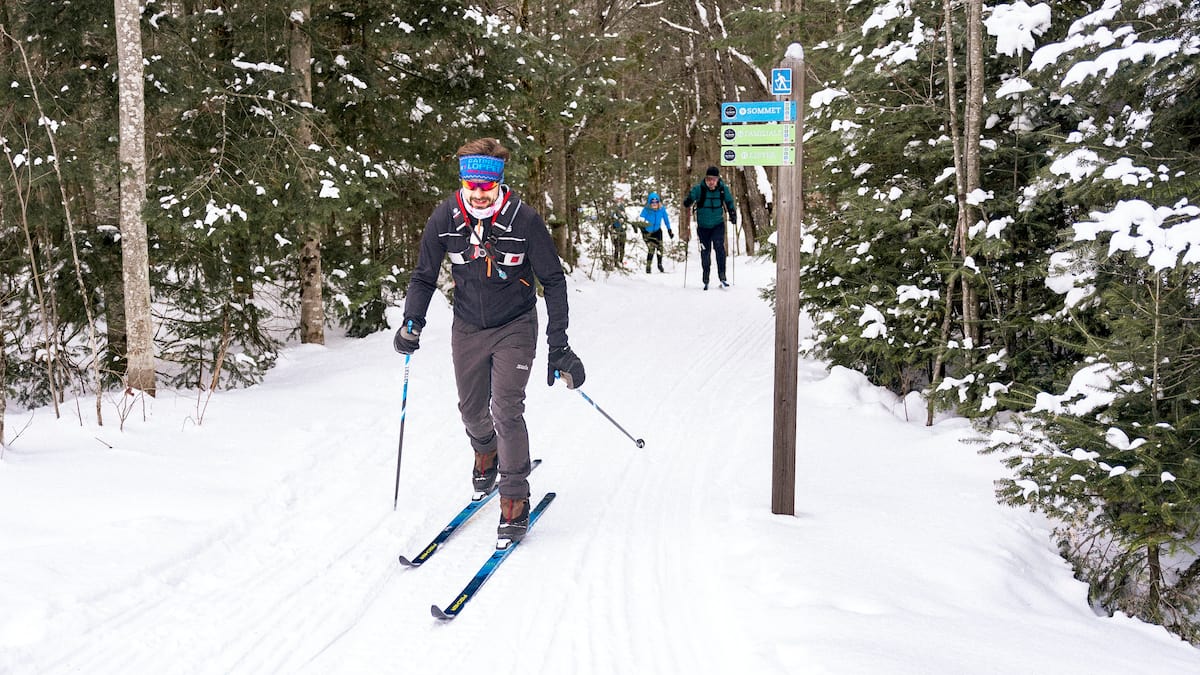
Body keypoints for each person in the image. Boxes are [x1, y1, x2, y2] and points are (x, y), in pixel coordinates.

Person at [393, 137, 586, 544]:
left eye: (487, 188)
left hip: (515, 323)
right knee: (471, 410)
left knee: (507, 409)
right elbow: (424, 275)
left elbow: (552, 281)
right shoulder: (445, 216)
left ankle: (514, 501)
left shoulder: (524, 219)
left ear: (498, 184)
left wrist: (559, 345)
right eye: (471, 187)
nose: (479, 196)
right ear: (463, 182)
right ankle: (487, 453)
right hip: (467, 324)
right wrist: (413, 321)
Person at [682, 166, 737, 289]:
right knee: (705, 252)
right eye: (709, 179)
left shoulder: (723, 189)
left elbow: (729, 202)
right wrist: (688, 201)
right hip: (703, 226)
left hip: (718, 224)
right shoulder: (699, 189)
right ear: (706, 179)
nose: (711, 182)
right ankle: (706, 276)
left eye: (714, 179)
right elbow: (688, 200)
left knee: (719, 248)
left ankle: (722, 275)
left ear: (718, 179)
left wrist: (732, 213)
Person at [637, 191, 673, 273]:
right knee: (651, 249)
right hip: (648, 232)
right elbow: (641, 219)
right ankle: (648, 266)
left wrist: (669, 230)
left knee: (660, 248)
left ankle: (659, 264)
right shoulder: (646, 209)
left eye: (656, 202)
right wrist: (642, 228)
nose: (654, 204)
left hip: (657, 231)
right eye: (652, 202)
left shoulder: (661, 209)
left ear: (658, 202)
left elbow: (666, 219)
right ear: (650, 202)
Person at [609, 196, 628, 268]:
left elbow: (625, 219)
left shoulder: (622, 208)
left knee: (622, 248)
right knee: (616, 248)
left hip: (622, 232)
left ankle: (620, 261)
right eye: (617, 199)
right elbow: (610, 220)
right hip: (615, 232)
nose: (619, 200)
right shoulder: (612, 209)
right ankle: (616, 262)